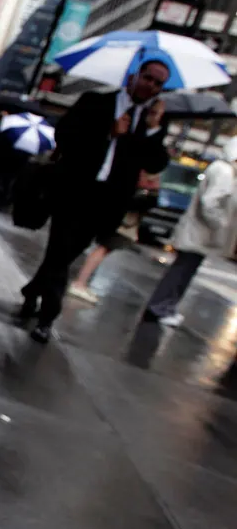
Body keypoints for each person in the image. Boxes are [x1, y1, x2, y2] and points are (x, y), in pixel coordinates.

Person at [19, 59, 171, 342]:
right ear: (134, 76)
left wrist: (150, 130)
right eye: (148, 78)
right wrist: (108, 134)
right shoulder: (95, 102)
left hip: (106, 203)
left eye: (158, 83)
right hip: (73, 191)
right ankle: (47, 318)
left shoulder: (153, 122)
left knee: (64, 255)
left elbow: (155, 162)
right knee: (61, 251)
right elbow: (64, 136)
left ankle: (32, 291)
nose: (151, 86)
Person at [143, 138, 237, 326]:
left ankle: (165, 307)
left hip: (199, 233)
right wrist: (222, 224)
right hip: (200, 233)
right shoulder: (224, 171)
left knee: (184, 271)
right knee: (182, 271)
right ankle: (160, 307)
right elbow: (210, 203)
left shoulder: (224, 169)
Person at [66, 169, 160, 304]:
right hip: (123, 218)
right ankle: (79, 282)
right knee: (103, 248)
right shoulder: (144, 169)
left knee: (103, 248)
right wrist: (151, 187)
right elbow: (147, 187)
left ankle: (80, 282)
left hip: (123, 214)